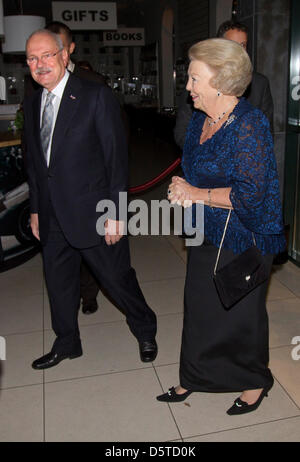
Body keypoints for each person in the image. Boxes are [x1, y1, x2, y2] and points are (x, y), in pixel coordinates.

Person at [157, 38, 286, 415]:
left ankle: (253, 382)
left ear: (221, 80)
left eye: (195, 79)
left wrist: (195, 192)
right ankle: (193, 377)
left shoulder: (249, 125)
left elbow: (251, 196)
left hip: (246, 236)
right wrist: (185, 188)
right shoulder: (200, 118)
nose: (188, 87)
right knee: (199, 307)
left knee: (240, 315)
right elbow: (200, 169)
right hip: (208, 230)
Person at [23, 29, 157, 369]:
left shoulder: (94, 95)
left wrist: (116, 212)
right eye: (32, 59)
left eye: (47, 56)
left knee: (117, 279)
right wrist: (37, 210)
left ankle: (144, 327)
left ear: (64, 56)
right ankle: (67, 342)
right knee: (58, 284)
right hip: (52, 216)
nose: (40, 65)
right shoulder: (34, 100)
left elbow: (116, 159)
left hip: (95, 213)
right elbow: (36, 165)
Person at [45, 21, 106, 315]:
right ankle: (65, 331)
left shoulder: (94, 84)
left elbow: (114, 142)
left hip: (89, 191)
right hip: (54, 194)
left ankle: (90, 294)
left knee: (96, 257)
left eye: (56, 47)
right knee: (59, 263)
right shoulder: (38, 87)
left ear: (69, 49)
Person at [174, 20, 274, 150]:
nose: (239, 51)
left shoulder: (259, 84)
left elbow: (266, 136)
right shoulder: (197, 85)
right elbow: (182, 133)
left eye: (242, 45)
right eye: (232, 45)